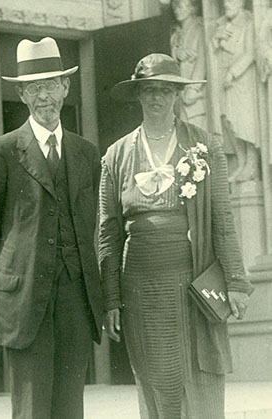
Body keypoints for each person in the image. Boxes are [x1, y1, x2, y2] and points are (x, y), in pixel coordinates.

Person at [98, 53, 253, 419]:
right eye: (149, 90)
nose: (157, 98)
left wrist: (236, 282)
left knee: (199, 382)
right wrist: (111, 299)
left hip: (192, 283)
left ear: (177, 95)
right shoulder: (116, 156)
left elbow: (222, 218)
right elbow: (107, 232)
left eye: (166, 90)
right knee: (158, 382)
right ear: (137, 95)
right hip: (141, 289)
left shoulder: (204, 146)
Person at [0, 37, 103, 419]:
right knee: (31, 410)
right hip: (24, 304)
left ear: (66, 88)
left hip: (76, 302)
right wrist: (8, 292)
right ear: (22, 95)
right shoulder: (2, 151)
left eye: (51, 85)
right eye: (34, 88)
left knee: (70, 407)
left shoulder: (86, 153)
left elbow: (90, 225)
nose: (45, 96)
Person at [211, 0, 260, 182]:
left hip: (242, 80)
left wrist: (234, 72)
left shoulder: (249, 21)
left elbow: (251, 52)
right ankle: (241, 162)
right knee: (229, 122)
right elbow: (213, 51)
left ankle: (252, 165)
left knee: (245, 123)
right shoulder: (221, 24)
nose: (226, 5)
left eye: (231, 1)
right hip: (223, 79)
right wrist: (217, 39)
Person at [170, 0, 207, 130]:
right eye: (175, 7)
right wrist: (176, 53)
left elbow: (203, 60)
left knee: (198, 136)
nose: (177, 10)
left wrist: (194, 87)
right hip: (180, 95)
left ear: (192, 8)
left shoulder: (200, 29)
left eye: (181, 6)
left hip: (195, 95)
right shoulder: (176, 34)